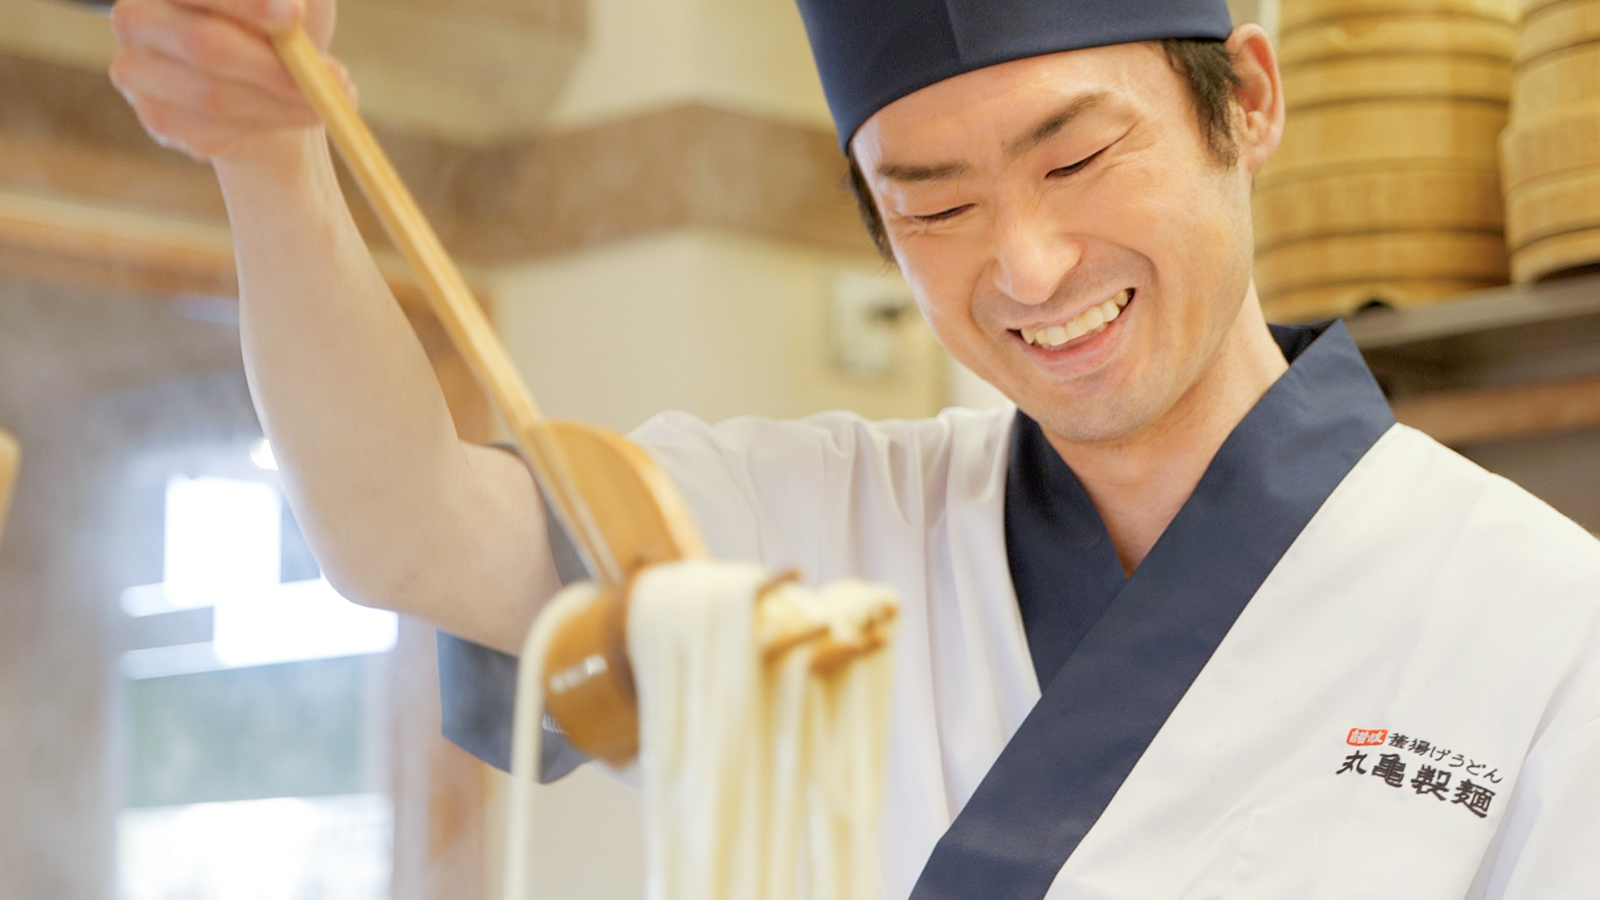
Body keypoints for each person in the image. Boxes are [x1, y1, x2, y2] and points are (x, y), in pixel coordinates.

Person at [108, 0, 1600, 896]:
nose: (1022, 265)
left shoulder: (1538, 623)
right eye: (932, 205)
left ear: (1248, 102)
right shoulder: (800, 528)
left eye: (1076, 157)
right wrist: (270, 162)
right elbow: (404, 529)